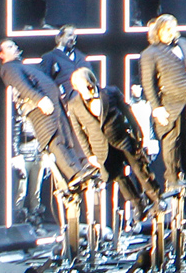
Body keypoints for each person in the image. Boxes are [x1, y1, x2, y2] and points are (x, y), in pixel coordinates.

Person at [0, 40, 94, 189]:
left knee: (66, 139)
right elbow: (22, 85)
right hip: (42, 109)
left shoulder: (22, 65)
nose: (15, 48)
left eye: (15, 45)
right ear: (1, 54)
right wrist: (40, 99)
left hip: (54, 105)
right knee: (55, 141)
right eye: (10, 47)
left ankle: (81, 170)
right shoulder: (8, 68)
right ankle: (74, 173)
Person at [66, 67, 161, 222]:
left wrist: (139, 136)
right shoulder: (74, 104)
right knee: (119, 177)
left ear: (92, 83)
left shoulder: (110, 93)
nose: (85, 91)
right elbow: (79, 132)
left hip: (122, 139)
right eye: (80, 89)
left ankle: (156, 199)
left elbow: (128, 113)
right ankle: (138, 205)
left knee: (140, 170)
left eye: (87, 87)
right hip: (102, 148)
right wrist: (89, 155)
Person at [141, 15, 186, 196]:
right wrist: (156, 108)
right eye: (167, 30)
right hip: (168, 102)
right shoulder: (150, 53)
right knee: (171, 140)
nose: (172, 33)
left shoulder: (184, 44)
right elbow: (148, 83)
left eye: (173, 29)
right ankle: (172, 177)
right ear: (159, 31)